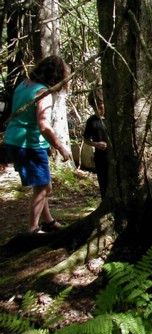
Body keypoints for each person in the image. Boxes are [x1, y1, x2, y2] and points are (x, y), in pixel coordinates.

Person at [4, 55, 72, 234]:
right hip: (28, 144)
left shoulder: (24, 84)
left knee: (44, 186)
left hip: (14, 140)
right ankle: (33, 230)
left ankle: (48, 222)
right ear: (57, 76)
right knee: (42, 188)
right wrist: (61, 147)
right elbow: (43, 125)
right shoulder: (43, 93)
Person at [82, 89, 108, 199]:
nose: (98, 111)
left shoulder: (112, 118)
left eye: (101, 107)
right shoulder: (92, 121)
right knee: (104, 183)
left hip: (115, 156)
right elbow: (86, 139)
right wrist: (96, 144)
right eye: (95, 109)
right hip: (101, 157)